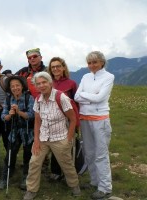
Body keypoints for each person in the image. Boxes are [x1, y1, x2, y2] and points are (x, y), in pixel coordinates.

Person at [23, 72, 80, 200]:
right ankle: (31, 189)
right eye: (38, 84)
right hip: (43, 137)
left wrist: (68, 139)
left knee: (66, 163)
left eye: (44, 82)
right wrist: (36, 140)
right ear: (36, 86)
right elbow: (37, 121)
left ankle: (74, 185)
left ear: (50, 83)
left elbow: (73, 119)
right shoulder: (38, 99)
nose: (42, 86)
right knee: (34, 163)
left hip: (60, 137)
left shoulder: (61, 97)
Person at [74, 51, 114, 200]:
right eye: (89, 63)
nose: (92, 65)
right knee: (89, 152)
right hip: (85, 118)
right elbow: (77, 96)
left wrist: (87, 96)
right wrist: (92, 98)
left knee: (101, 154)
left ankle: (105, 187)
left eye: (95, 62)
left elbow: (100, 98)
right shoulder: (85, 77)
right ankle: (94, 181)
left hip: (100, 119)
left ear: (102, 62)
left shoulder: (109, 77)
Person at [0, 76, 34, 191]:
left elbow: (31, 115)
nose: (15, 88)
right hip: (13, 130)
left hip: (27, 131)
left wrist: (19, 112)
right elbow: (3, 116)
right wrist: (9, 115)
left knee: (28, 155)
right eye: (12, 86)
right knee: (10, 154)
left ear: (22, 86)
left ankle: (25, 178)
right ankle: (5, 177)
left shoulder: (29, 98)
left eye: (17, 85)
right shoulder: (8, 99)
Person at [47, 57, 78, 181]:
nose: (56, 69)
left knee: (67, 147)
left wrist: (76, 122)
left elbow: (76, 103)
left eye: (58, 66)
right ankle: (55, 172)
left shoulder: (71, 84)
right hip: (52, 120)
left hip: (68, 121)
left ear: (63, 67)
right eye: (53, 67)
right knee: (55, 145)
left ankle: (68, 174)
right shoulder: (48, 83)